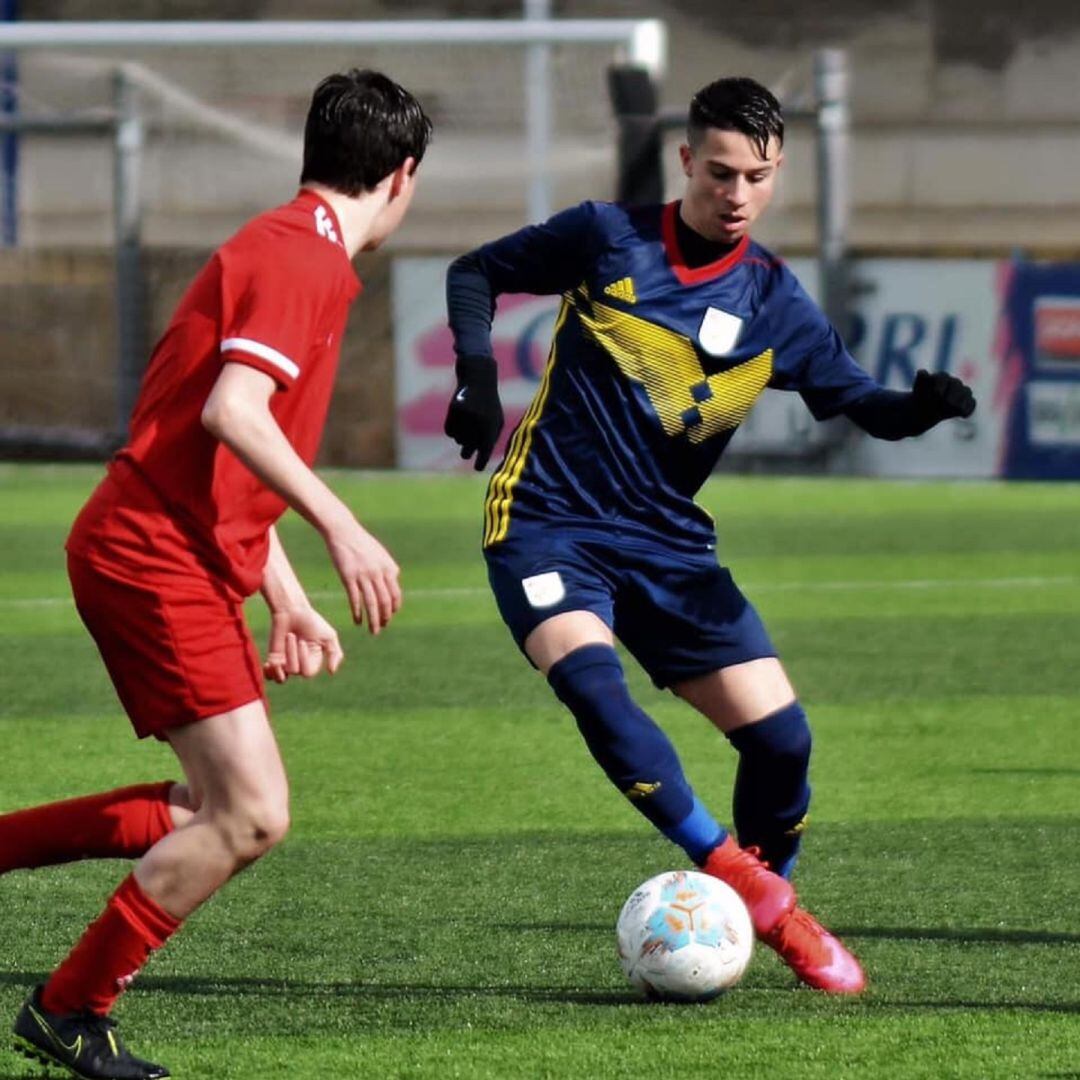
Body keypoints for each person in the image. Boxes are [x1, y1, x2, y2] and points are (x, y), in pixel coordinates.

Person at [443, 76, 974, 995]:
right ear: (686, 160)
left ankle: (762, 905)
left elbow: (860, 402)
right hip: (546, 523)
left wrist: (917, 409)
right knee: (596, 689)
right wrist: (476, 375)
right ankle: (750, 888)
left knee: (784, 743)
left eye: (757, 177)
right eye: (720, 172)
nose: (736, 194)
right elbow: (473, 272)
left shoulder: (775, 303)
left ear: (778, 174)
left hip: (669, 545)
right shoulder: (607, 236)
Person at [3, 69, 431, 1079]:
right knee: (251, 813)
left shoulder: (291, 246)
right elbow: (232, 413)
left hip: (164, 549)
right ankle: (70, 1008)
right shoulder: (302, 259)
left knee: (210, 809)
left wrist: (286, 596)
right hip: (153, 556)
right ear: (402, 177)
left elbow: (226, 454)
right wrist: (343, 528)